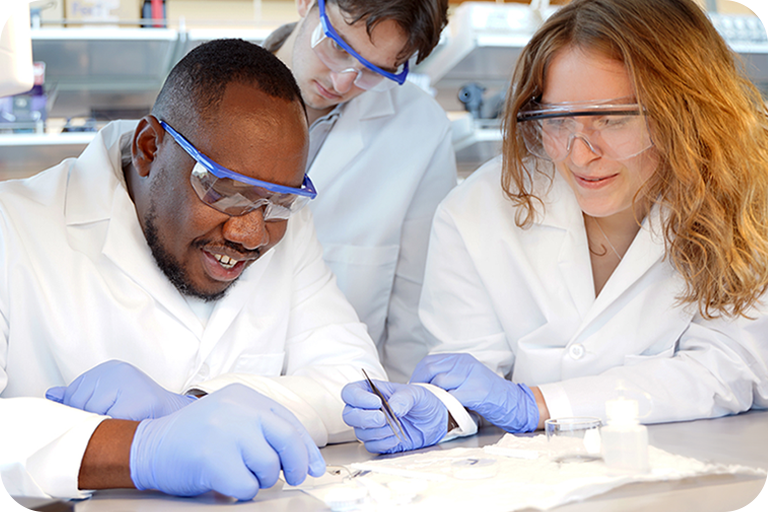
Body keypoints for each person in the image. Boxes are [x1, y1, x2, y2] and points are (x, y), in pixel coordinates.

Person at [341, 0, 768, 454]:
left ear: (688, 114)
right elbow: (469, 383)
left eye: (612, 119)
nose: (579, 154)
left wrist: (538, 404)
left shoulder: (744, 202)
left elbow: (733, 365)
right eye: (558, 119)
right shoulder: (477, 210)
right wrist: (441, 410)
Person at [0, 39, 387, 498]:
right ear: (149, 148)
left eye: (279, 200)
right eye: (224, 190)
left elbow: (357, 385)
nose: (250, 234)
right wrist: (140, 450)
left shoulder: (285, 229)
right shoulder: (13, 229)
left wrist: (196, 403)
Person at [263, 0, 458, 383]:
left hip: (343, 407)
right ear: (307, 4)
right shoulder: (209, 88)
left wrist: (399, 415)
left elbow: (413, 310)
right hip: (214, 393)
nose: (343, 82)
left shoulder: (420, 128)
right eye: (337, 46)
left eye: (374, 71)